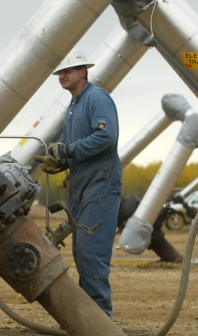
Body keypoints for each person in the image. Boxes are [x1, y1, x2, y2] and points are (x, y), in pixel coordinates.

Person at [34, 49, 122, 318]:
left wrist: (67, 151)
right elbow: (71, 150)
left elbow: (106, 138)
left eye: (67, 71)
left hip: (100, 185)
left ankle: (101, 328)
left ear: (83, 72)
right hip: (81, 186)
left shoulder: (97, 98)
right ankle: (88, 322)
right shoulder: (72, 109)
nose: (62, 76)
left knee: (91, 254)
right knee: (83, 253)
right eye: (59, 73)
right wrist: (58, 162)